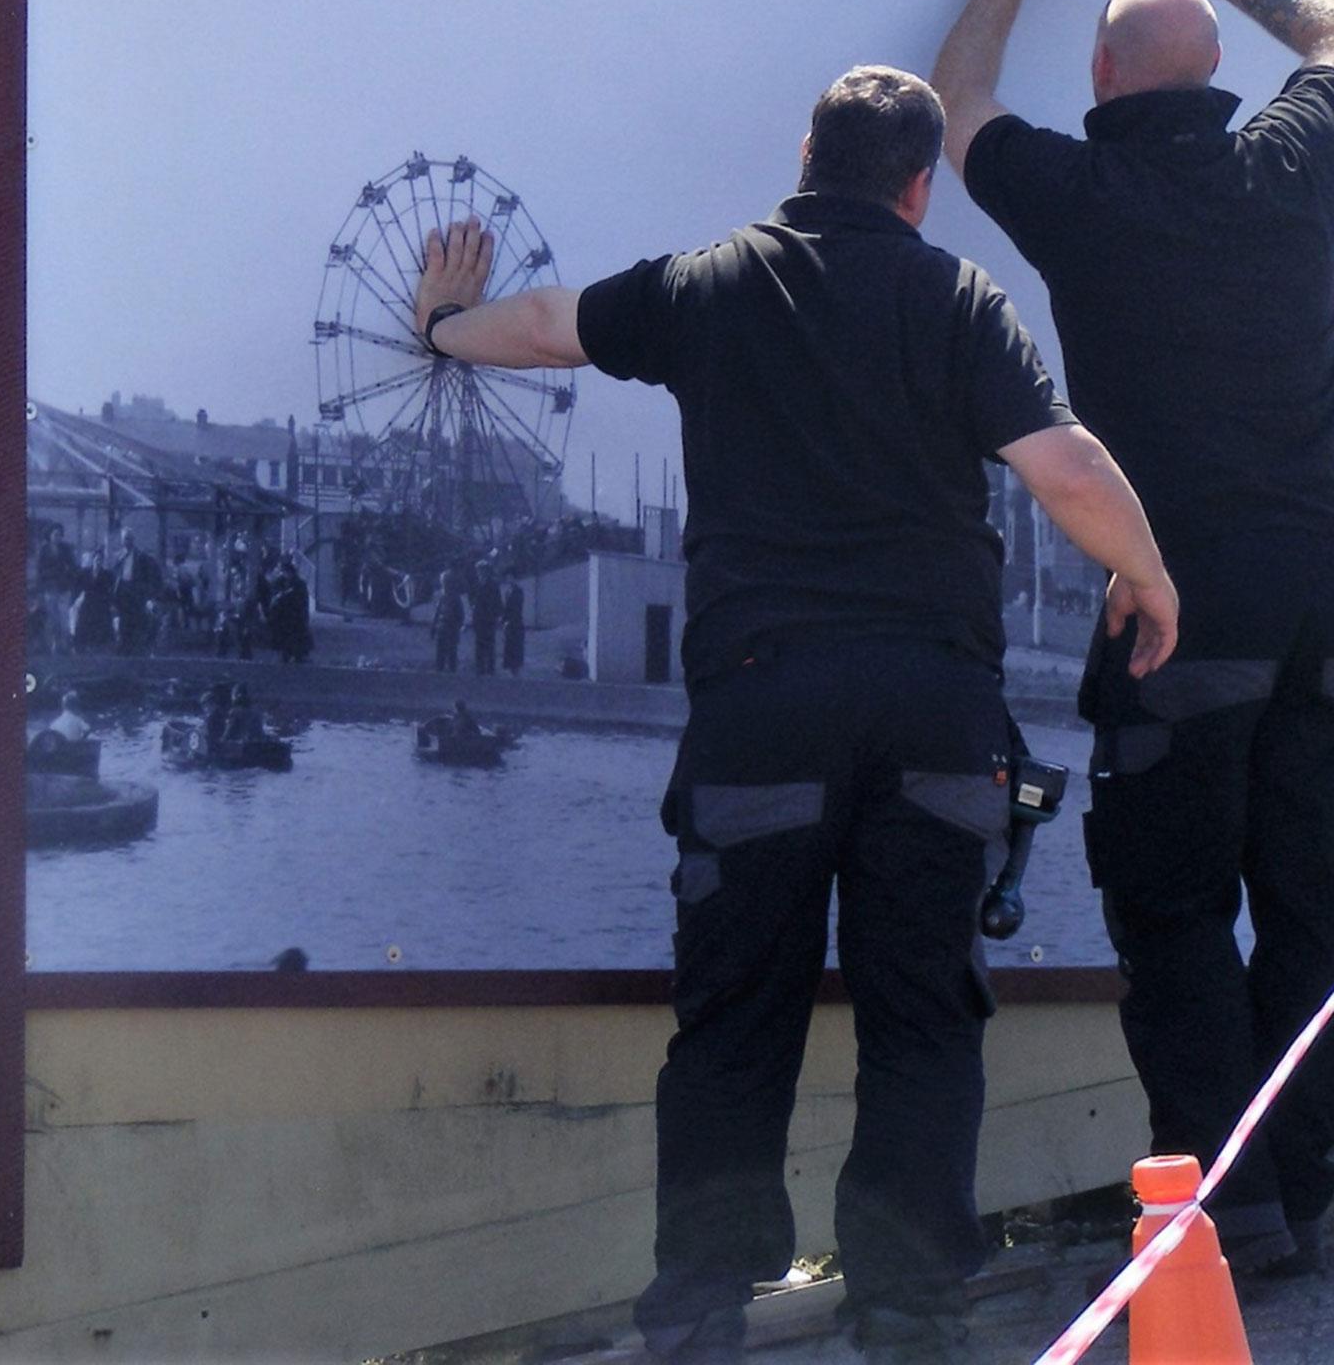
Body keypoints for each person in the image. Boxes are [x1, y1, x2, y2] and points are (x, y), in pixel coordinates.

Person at [411, 65, 1178, 1360]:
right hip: (936, 719)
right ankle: (911, 1323)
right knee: (925, 1033)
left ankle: (701, 1322)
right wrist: (1146, 573)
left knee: (732, 1030)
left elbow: (544, 323)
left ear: (806, 152)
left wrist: (441, 326)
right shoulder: (957, 297)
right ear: (921, 186)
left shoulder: (710, 285)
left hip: (762, 712)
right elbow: (1068, 462)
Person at [933, 0, 1334, 1280]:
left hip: (1171, 616)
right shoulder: (1293, 161)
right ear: (1218, 72)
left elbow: (957, 104)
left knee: (1173, 922)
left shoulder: (1078, 193)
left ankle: (1235, 1211)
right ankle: (1306, 1190)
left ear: (1102, 79)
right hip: (1316, 621)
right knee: (1308, 913)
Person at [469, 560, 502, 675]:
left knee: (489, 644)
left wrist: (497, 616)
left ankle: (490, 667)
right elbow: (472, 599)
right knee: (479, 643)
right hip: (479, 618)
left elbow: (497, 601)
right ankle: (480, 667)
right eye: (478, 570)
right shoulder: (476, 584)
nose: (480, 572)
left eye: (482, 570)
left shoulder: (493, 585)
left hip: (489, 618)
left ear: (487, 571)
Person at [430, 570, 463, 673]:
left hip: (451, 629)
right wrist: (433, 628)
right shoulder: (442, 597)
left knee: (451, 654)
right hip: (442, 628)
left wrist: (456, 627)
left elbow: (461, 616)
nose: (443, 584)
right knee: (440, 653)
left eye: (445, 581)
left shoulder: (456, 598)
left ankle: (452, 673)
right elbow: (437, 613)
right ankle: (439, 672)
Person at [502, 580, 526, 678]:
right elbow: (506, 608)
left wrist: (508, 620)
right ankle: (512, 668)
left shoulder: (518, 591)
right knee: (510, 645)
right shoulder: (508, 591)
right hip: (510, 622)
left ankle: (515, 668)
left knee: (515, 645)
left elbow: (516, 608)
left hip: (516, 622)